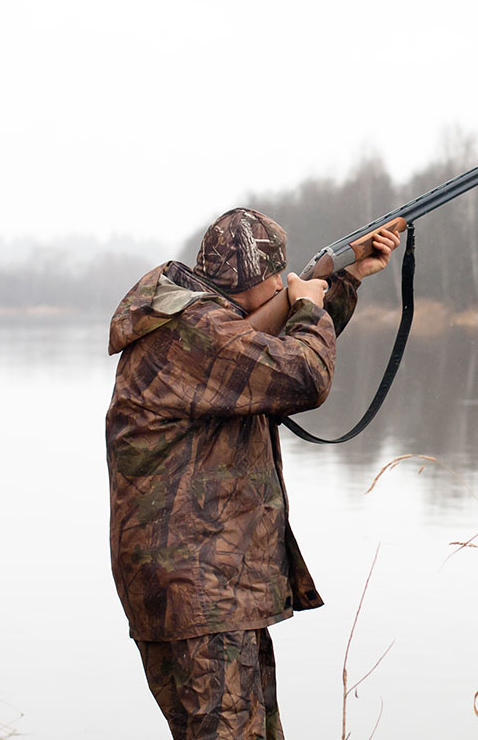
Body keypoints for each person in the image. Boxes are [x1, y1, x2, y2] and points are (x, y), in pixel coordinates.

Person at [105, 207, 399, 739]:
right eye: (279, 281)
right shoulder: (194, 332)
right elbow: (302, 375)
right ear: (260, 282)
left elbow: (266, 360)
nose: (285, 285)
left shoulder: (192, 321)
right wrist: (307, 306)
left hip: (203, 587)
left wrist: (343, 281)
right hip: (201, 590)